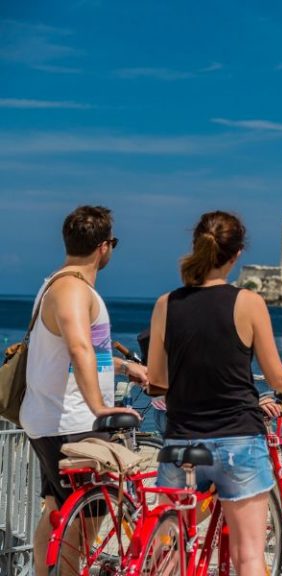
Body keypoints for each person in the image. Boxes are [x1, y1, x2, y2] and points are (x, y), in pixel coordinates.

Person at [147, 211, 282, 576]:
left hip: (181, 441)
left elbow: (157, 380)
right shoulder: (248, 302)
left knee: (169, 551)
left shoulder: (165, 304)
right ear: (237, 255)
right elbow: (278, 379)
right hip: (237, 439)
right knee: (248, 556)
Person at [20, 205, 148, 576]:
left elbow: (84, 351)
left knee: (58, 510)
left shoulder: (55, 284)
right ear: (105, 247)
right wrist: (100, 408)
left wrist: (127, 367)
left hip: (50, 418)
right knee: (86, 520)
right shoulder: (73, 289)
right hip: (74, 421)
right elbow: (79, 348)